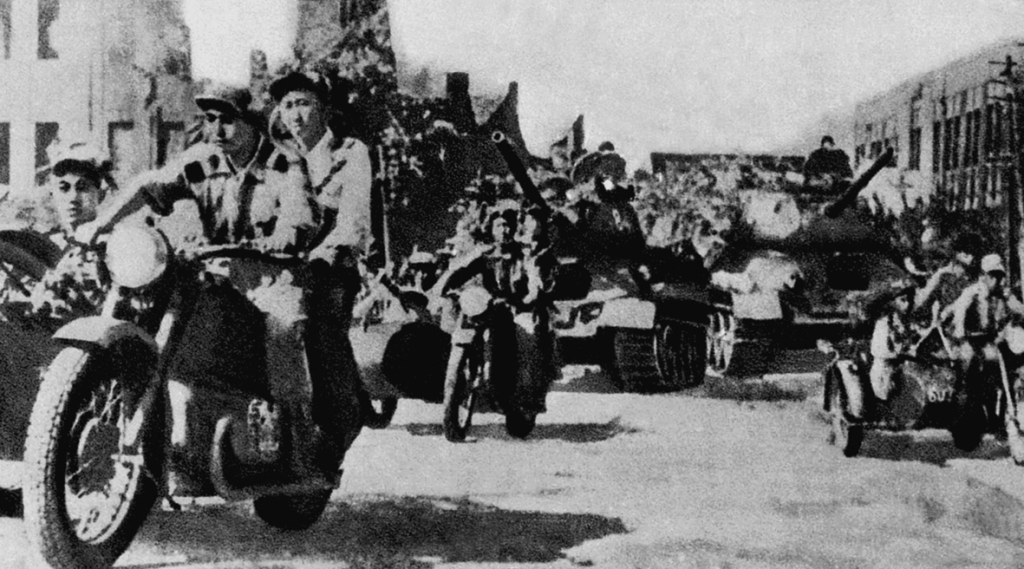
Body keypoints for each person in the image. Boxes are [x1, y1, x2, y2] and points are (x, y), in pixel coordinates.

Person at [76, 82, 331, 474]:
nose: (217, 129)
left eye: (227, 120)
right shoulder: (202, 160)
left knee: (282, 332)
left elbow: (301, 215)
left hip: (273, 277)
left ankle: (300, 440)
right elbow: (149, 186)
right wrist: (101, 223)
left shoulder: (283, 163)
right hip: (218, 272)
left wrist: (286, 234)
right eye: (210, 119)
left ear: (251, 122)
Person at [268, 69, 373, 459]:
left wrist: (326, 254)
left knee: (322, 340)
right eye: (287, 105)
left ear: (325, 109)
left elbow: (354, 218)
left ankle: (340, 424)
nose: (295, 115)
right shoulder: (276, 159)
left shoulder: (350, 152)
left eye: (304, 104)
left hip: (329, 270)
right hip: (277, 270)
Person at [914, 232, 981, 324]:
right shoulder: (943, 273)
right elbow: (926, 295)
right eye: (965, 251)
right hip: (938, 320)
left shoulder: (975, 280)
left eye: (973, 253)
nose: (969, 256)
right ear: (957, 251)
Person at [868, 281, 916, 401]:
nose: (908, 304)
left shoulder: (901, 322)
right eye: (903, 300)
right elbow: (882, 351)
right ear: (892, 302)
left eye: (910, 300)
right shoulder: (883, 324)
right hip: (883, 371)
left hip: (895, 368)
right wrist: (907, 353)